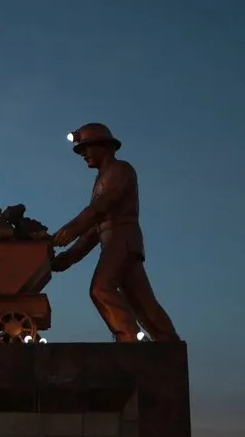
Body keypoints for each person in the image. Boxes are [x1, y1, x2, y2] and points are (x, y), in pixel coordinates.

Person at [51, 123, 181, 343]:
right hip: (115, 243)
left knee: (101, 288)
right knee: (143, 303)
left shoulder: (121, 170)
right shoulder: (101, 179)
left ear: (104, 147)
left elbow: (101, 208)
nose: (83, 154)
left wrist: (72, 229)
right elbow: (95, 228)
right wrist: (68, 258)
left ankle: (128, 337)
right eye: (81, 150)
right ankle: (168, 342)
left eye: (87, 148)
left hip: (122, 241)